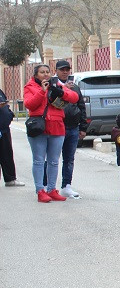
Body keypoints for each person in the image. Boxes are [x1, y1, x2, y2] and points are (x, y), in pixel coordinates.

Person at [23, 64, 79, 202]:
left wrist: (61, 92)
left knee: (54, 161)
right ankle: (40, 190)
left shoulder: (57, 84)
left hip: (57, 126)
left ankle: (52, 189)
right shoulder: (30, 87)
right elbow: (29, 104)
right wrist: (42, 91)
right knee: (39, 160)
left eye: (47, 72)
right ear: (36, 75)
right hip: (39, 127)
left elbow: (74, 97)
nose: (45, 74)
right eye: (42, 72)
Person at [53, 60, 87, 198]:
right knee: (52, 159)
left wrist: (83, 127)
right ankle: (47, 186)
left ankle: (66, 186)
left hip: (73, 127)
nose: (65, 72)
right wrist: (63, 90)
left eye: (67, 69)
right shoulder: (52, 85)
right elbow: (53, 103)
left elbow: (81, 107)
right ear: (56, 70)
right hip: (56, 127)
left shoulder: (75, 87)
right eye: (62, 69)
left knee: (69, 159)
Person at [0, 86, 24, 187]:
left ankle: (10, 179)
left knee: (7, 154)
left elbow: (5, 103)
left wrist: (9, 113)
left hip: (4, 129)